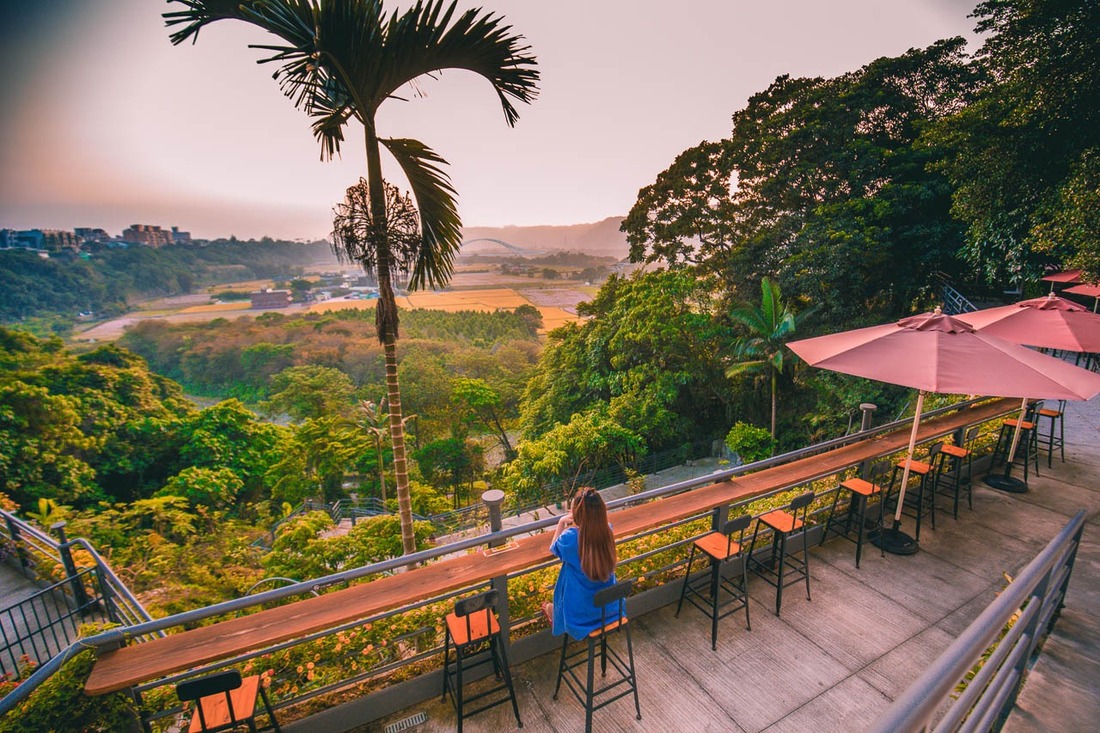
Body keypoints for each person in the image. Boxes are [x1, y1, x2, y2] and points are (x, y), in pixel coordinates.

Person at [543, 487, 620, 640]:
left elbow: (553, 548)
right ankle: (553, 611)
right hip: (610, 610)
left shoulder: (570, 538)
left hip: (580, 616)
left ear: (576, 514)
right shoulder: (608, 531)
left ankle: (555, 614)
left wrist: (561, 522)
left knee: (567, 578)